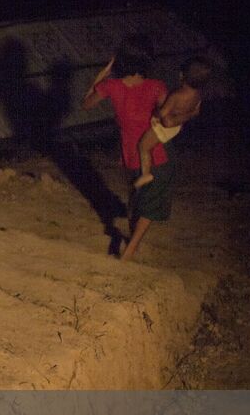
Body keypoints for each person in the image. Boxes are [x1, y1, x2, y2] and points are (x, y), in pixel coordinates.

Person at [81, 37, 170, 261]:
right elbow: (166, 117)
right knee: (151, 203)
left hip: (129, 151)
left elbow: (86, 103)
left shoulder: (112, 86)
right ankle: (130, 249)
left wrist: (104, 72)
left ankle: (131, 242)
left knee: (135, 197)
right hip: (154, 150)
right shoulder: (157, 86)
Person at [134, 56, 213, 189]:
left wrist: (154, 113)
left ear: (182, 75)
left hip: (164, 128)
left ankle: (145, 174)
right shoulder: (198, 94)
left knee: (143, 146)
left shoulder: (176, 95)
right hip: (176, 127)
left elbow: (163, 113)